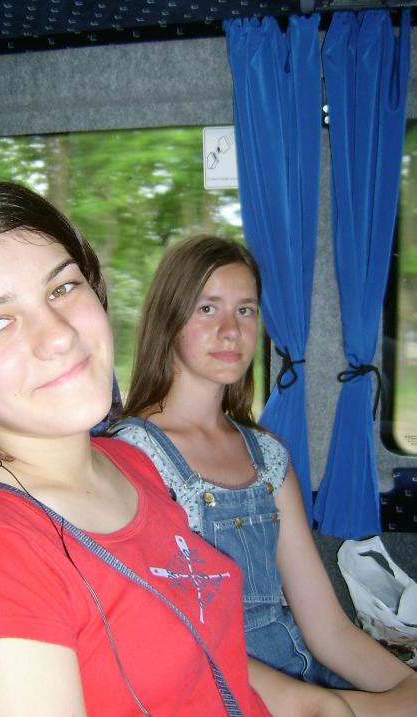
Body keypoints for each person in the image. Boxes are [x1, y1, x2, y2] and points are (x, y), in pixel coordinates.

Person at [0, 182, 356, 717]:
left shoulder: (129, 464)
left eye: (63, 288)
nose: (59, 335)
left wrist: (324, 707)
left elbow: (205, 658)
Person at [110, 234, 417, 717]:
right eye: (207, 309)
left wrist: (406, 684)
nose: (231, 330)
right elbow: (174, 646)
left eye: (246, 310)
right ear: (169, 319)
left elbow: (327, 628)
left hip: (299, 672)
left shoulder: (268, 456)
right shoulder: (132, 456)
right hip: (217, 693)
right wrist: (331, 706)